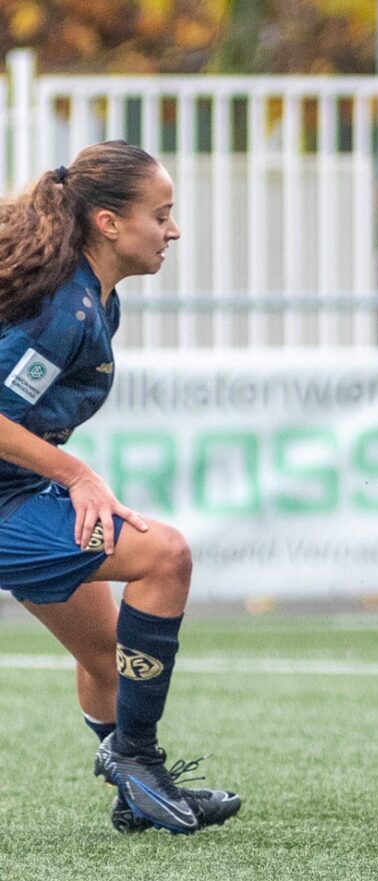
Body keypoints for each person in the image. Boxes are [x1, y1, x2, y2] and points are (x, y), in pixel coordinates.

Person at [0, 141, 241, 834]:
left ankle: (133, 785)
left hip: (16, 490)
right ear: (109, 223)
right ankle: (138, 761)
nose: (173, 230)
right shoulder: (63, 311)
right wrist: (77, 475)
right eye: (161, 214)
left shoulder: (95, 304)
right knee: (165, 555)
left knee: (109, 661)